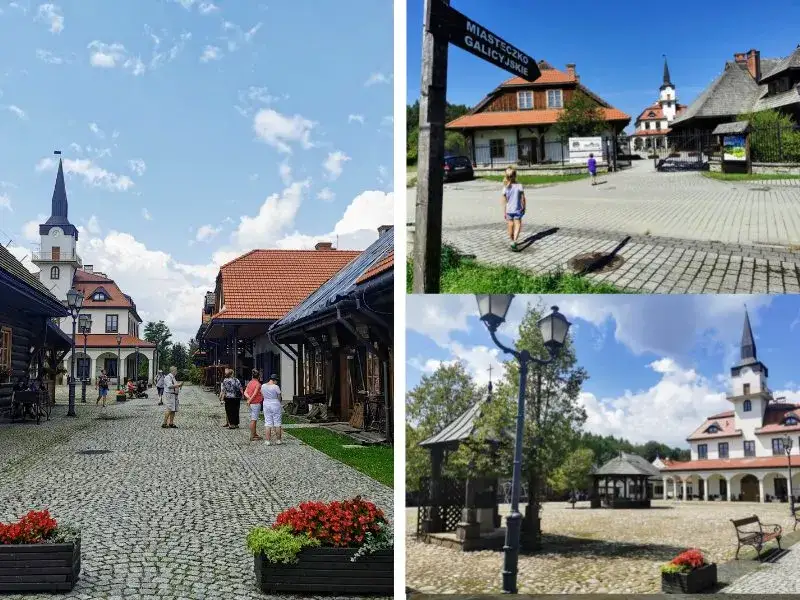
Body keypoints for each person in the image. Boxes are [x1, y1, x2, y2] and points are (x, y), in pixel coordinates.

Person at [501, 167, 526, 251]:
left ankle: (511, 240)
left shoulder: (505, 187)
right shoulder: (519, 186)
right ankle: (514, 241)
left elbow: (505, 202)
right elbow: (523, 198)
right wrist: (524, 207)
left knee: (510, 225)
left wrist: (504, 212)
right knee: (518, 224)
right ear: (515, 176)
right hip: (517, 209)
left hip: (508, 210)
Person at [260, 374, 283, 445]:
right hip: (275, 403)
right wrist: (278, 402)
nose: (277, 382)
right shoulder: (276, 387)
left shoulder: (263, 386)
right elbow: (279, 397)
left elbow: (262, 395)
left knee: (268, 422)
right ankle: (278, 440)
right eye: (277, 381)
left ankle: (267, 441)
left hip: (266, 403)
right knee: (277, 422)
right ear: (274, 380)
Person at [244, 369, 263, 441]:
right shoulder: (258, 384)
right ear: (258, 377)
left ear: (252, 376)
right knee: (254, 420)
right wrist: (250, 400)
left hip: (251, 404)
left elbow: (245, 392)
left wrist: (248, 399)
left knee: (254, 419)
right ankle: (252, 436)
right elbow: (255, 394)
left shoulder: (249, 383)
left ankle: (254, 433)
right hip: (256, 403)